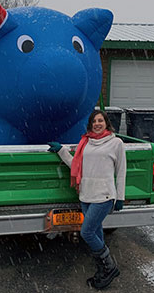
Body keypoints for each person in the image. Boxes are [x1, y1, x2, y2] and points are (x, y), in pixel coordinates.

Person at [48, 109, 126, 289]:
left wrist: (120, 197)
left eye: (101, 120)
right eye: (94, 121)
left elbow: (121, 172)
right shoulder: (86, 142)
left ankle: (110, 266)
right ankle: (102, 270)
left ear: (106, 123)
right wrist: (61, 150)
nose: (97, 124)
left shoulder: (116, 143)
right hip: (86, 195)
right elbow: (75, 163)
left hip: (104, 196)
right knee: (96, 232)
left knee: (87, 232)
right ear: (90, 124)